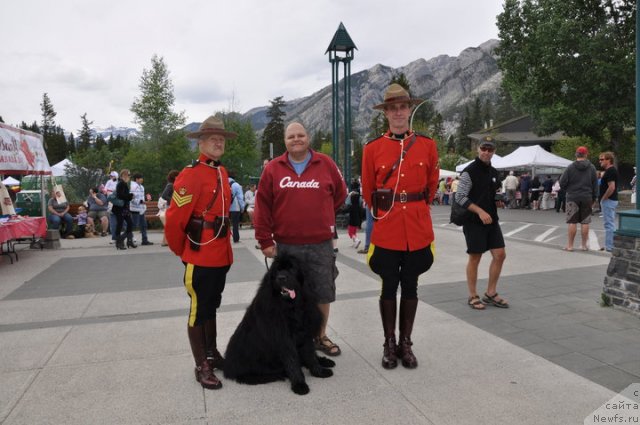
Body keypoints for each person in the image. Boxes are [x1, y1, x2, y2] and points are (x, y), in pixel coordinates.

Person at [361, 83, 439, 370]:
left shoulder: (428, 145)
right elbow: (369, 190)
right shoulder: (373, 149)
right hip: (388, 226)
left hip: (416, 227)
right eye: (392, 108)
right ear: (386, 114)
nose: (397, 112)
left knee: (411, 284)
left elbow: (431, 186)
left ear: (409, 110)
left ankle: (406, 343)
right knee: (387, 284)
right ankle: (389, 343)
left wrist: (416, 207)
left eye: (402, 107)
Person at [254, 121, 347, 357]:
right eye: (291, 136)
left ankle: (320, 335)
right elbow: (262, 206)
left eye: (301, 135)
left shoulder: (325, 163)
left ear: (308, 137)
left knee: (322, 290)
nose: (296, 139)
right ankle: (292, 339)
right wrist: (264, 239)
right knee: (287, 294)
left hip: (320, 243)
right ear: (285, 141)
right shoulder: (273, 168)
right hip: (286, 246)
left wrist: (321, 215)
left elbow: (340, 194)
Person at [165, 116, 236, 390]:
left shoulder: (222, 172)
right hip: (200, 254)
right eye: (212, 139)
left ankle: (212, 352)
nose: (218, 142)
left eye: (221, 139)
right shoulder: (191, 174)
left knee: (211, 305)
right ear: (201, 142)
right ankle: (201, 365)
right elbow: (174, 220)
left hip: (220, 254)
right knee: (198, 309)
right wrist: (183, 251)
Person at [454, 136, 508, 311]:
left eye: (490, 149)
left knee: (500, 254)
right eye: (483, 148)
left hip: (492, 220)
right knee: (475, 257)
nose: (486, 152)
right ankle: (472, 295)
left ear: (494, 151)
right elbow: (460, 197)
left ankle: (490, 293)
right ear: (478, 149)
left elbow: (495, 192)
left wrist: (497, 200)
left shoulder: (493, 172)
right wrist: (480, 211)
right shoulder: (469, 171)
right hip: (473, 221)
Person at [558, 146, 598, 251]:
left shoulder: (570, 167)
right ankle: (584, 245)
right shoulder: (592, 167)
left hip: (572, 196)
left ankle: (570, 246)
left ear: (576, 154)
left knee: (572, 221)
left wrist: (568, 190)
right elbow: (595, 184)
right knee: (585, 222)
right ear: (586, 154)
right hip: (587, 196)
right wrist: (594, 198)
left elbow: (562, 182)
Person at [598, 151, 619, 252]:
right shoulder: (610, 170)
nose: (600, 161)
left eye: (602, 159)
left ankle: (610, 247)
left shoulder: (611, 171)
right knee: (610, 223)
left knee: (609, 224)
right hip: (610, 200)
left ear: (608, 160)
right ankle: (609, 245)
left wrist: (603, 198)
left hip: (609, 200)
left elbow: (612, 187)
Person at [112, 169, 135, 250]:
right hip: (120, 208)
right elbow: (120, 195)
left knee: (130, 223)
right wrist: (130, 196)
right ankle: (119, 241)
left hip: (124, 208)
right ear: (123, 176)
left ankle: (129, 240)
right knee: (120, 224)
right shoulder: (121, 183)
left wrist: (129, 196)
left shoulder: (123, 183)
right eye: (128, 175)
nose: (129, 177)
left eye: (129, 175)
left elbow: (123, 195)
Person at [129, 173, 153, 246]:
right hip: (135, 209)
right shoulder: (133, 187)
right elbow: (131, 198)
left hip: (141, 209)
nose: (142, 179)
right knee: (134, 225)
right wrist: (142, 202)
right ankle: (128, 239)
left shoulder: (141, 187)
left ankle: (144, 240)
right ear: (136, 179)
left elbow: (141, 198)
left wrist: (146, 199)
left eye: (142, 178)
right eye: (140, 178)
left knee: (144, 225)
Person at [158, 170, 179, 246]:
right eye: (177, 175)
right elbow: (164, 196)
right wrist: (173, 200)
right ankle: (166, 242)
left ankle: (164, 242)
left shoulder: (172, 184)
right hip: (168, 208)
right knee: (169, 225)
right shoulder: (170, 185)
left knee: (167, 225)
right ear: (174, 177)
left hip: (169, 207)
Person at [104, 171, 121, 243]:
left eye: (113, 176)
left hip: (120, 202)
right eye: (111, 176)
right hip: (111, 202)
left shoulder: (120, 182)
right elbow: (105, 189)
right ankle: (114, 238)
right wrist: (105, 191)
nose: (111, 177)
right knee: (113, 221)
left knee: (124, 221)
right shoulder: (108, 181)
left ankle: (129, 236)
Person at [228, 174, 245, 243]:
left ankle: (225, 239)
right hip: (235, 208)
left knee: (225, 224)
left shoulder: (222, 183)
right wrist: (242, 207)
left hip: (225, 208)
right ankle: (236, 238)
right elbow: (240, 198)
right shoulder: (236, 185)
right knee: (235, 224)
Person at [347, 180, 362, 249]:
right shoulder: (358, 206)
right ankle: (355, 243)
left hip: (351, 222)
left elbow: (346, 208)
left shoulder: (351, 206)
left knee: (350, 233)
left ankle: (357, 240)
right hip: (357, 221)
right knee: (354, 232)